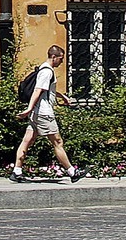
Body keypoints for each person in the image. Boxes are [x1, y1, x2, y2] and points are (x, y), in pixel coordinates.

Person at [11, 45, 85, 182]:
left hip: (36, 113)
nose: (62, 62)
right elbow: (37, 91)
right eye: (61, 59)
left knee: (27, 140)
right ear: (54, 57)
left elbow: (46, 90)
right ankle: (72, 172)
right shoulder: (47, 72)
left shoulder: (43, 69)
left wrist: (62, 96)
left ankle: (16, 171)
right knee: (57, 142)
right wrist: (28, 109)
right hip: (43, 113)